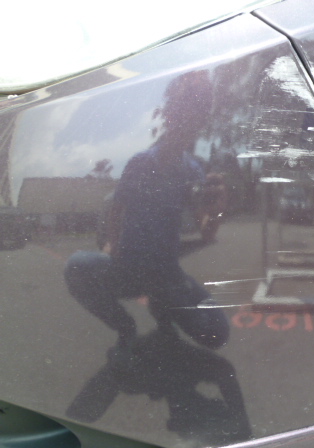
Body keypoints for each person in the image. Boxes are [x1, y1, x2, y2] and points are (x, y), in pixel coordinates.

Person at [64, 71, 229, 355]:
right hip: (128, 267)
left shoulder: (193, 171)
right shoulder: (141, 163)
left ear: (200, 123)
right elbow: (118, 207)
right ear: (169, 115)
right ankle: (125, 326)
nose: (188, 121)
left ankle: (161, 306)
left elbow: (206, 233)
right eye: (182, 111)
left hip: (167, 273)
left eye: (196, 115)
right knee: (76, 266)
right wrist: (112, 244)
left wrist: (217, 210)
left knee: (217, 333)